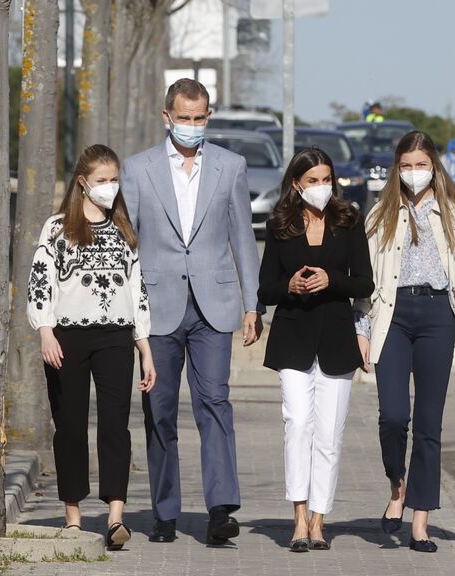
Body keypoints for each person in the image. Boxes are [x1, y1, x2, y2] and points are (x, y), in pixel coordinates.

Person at [119, 78, 264, 546]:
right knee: (159, 410)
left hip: (214, 307)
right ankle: (164, 512)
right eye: (184, 118)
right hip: (157, 306)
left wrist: (251, 304)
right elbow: (128, 243)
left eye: (200, 118)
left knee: (214, 404)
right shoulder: (138, 170)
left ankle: (220, 509)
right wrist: (127, 309)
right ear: (167, 117)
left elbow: (243, 238)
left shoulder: (230, 166)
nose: (192, 126)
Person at [355, 131, 455, 553]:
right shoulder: (379, 215)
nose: (415, 173)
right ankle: (397, 486)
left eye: (421, 165)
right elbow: (365, 280)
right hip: (392, 318)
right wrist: (360, 328)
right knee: (393, 416)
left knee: (429, 425)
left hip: (436, 317)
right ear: (398, 168)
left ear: (434, 166)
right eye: (407, 165)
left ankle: (420, 520)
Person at [27, 144, 157, 552]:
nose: (110, 188)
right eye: (102, 181)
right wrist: (45, 330)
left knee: (116, 425)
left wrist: (144, 345)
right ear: (83, 182)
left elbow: (137, 289)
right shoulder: (56, 229)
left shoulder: (123, 229)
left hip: (116, 338)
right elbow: (41, 282)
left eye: (114, 180)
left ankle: (116, 517)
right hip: (67, 338)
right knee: (70, 426)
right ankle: (73, 517)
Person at [258, 147, 374, 552]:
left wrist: (332, 280)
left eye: (327, 180)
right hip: (292, 337)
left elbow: (364, 283)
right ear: (296, 184)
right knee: (298, 425)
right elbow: (265, 287)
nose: (322, 187)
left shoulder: (349, 221)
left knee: (329, 434)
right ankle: (299, 518)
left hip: (337, 339)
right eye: (313, 181)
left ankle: (321, 520)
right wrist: (289, 285)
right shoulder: (280, 225)